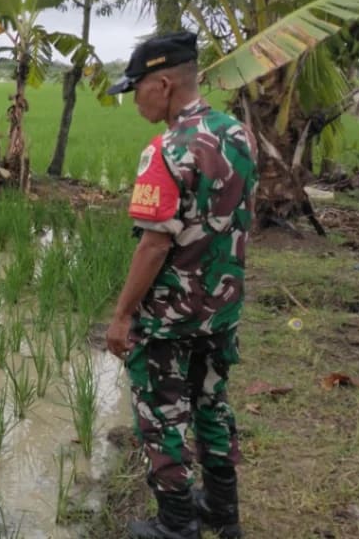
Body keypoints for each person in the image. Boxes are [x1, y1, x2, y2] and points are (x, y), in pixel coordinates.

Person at [104, 32, 257, 539]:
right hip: (222, 310)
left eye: (137, 89)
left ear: (164, 84)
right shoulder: (237, 134)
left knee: (161, 416)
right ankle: (222, 513)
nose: (134, 100)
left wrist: (124, 314)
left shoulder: (166, 150)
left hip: (169, 318)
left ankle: (176, 526)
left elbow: (153, 245)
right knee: (212, 404)